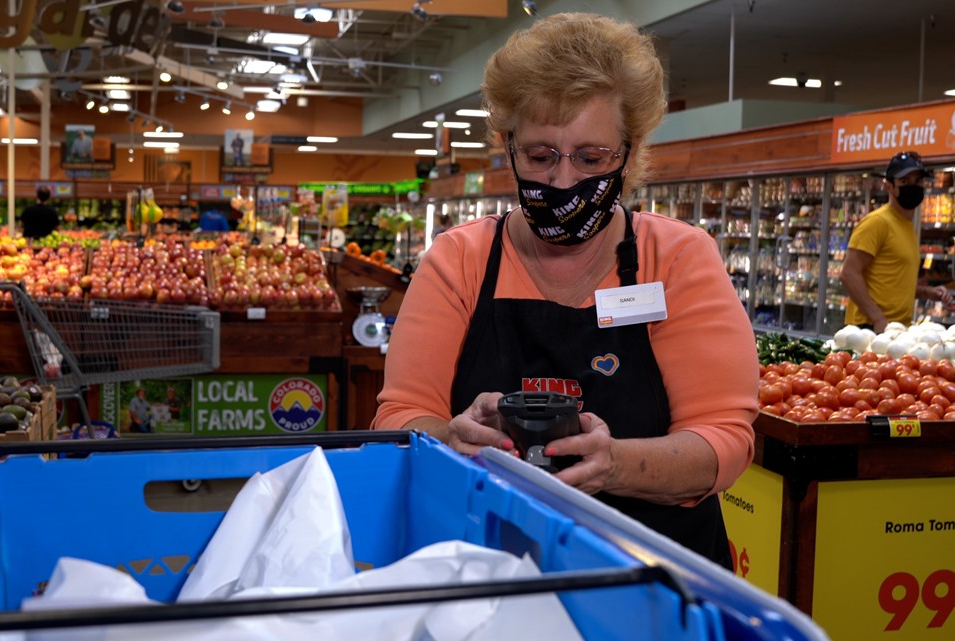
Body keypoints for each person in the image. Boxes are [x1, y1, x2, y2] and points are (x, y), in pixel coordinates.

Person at [370, 12, 759, 569]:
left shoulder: (676, 259)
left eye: (591, 158)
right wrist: (448, 438)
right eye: (540, 155)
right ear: (508, 145)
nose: (563, 181)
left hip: (653, 581)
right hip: (482, 570)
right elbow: (401, 416)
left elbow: (723, 440)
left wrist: (616, 463)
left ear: (628, 151)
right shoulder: (459, 261)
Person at [841, 151, 952, 332]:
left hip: (898, 329)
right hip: (869, 329)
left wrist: (928, 292)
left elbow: (894, 283)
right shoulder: (877, 222)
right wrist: (877, 318)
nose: (913, 187)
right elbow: (849, 274)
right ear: (888, 186)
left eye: (918, 181)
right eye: (905, 182)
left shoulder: (907, 227)